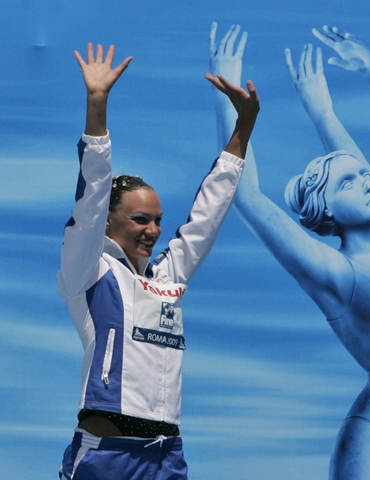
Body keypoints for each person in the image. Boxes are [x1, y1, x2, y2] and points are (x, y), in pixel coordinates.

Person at [209, 23, 370, 479]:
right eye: (349, 181)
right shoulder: (335, 272)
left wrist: (362, 77)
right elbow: (245, 196)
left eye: (366, 177)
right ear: (323, 207)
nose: (368, 184)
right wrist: (232, 103)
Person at [57, 42, 259, 479]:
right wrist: (97, 105)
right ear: (108, 223)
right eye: (139, 219)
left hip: (167, 454)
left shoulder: (168, 275)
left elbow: (208, 214)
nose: (152, 230)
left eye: (158, 222)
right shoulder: (87, 270)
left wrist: (244, 128)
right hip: (106, 454)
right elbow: (91, 196)